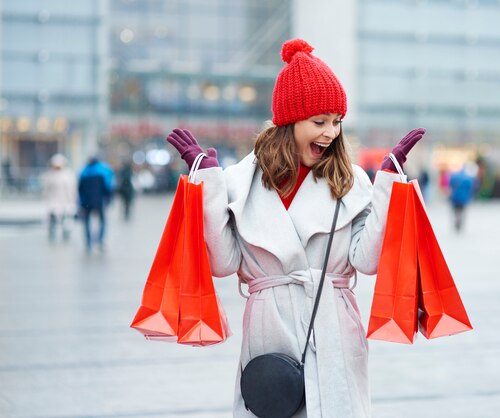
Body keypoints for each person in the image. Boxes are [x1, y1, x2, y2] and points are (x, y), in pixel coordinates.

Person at [166, 38, 425, 417]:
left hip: (334, 328)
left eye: (336, 122)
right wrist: (207, 183)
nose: (330, 133)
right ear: (288, 122)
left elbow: (366, 262)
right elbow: (223, 264)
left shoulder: (350, 180)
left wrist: (387, 183)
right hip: (270, 332)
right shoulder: (242, 181)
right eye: (319, 122)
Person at [78, 155, 115, 252]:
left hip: (86, 202)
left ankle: (88, 242)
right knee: (102, 221)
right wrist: (109, 199)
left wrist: (81, 202)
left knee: (87, 222)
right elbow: (107, 188)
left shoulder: (84, 172)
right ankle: (100, 239)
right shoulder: (103, 172)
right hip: (99, 201)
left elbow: (80, 190)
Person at [40, 154, 77, 242]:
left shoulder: (68, 175)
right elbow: (46, 189)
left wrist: (71, 200)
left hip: (64, 203)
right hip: (53, 203)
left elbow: (71, 190)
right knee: (53, 222)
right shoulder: (49, 175)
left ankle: (66, 237)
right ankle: (52, 237)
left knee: (65, 222)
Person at [448, 165, 475, 232]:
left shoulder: (454, 177)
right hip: (464, 197)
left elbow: (450, 185)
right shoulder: (468, 178)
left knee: (456, 210)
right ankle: (460, 221)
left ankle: (457, 219)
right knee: (462, 210)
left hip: (455, 196)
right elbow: (470, 188)